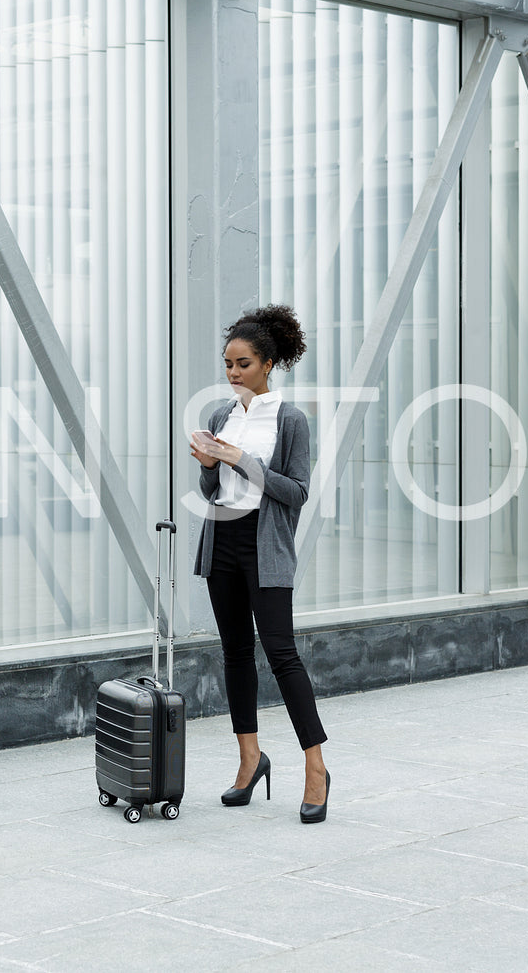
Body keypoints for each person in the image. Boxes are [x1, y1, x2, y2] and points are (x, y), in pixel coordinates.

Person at [190, 305, 330, 823]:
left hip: (264, 547)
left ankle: (316, 767)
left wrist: (240, 460)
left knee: (282, 654)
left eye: (243, 363)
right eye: (227, 363)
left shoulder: (291, 421)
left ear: (268, 363)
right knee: (233, 653)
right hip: (222, 538)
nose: (232, 373)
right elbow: (214, 490)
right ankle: (250, 759)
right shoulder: (220, 416)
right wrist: (210, 466)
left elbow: (296, 492)